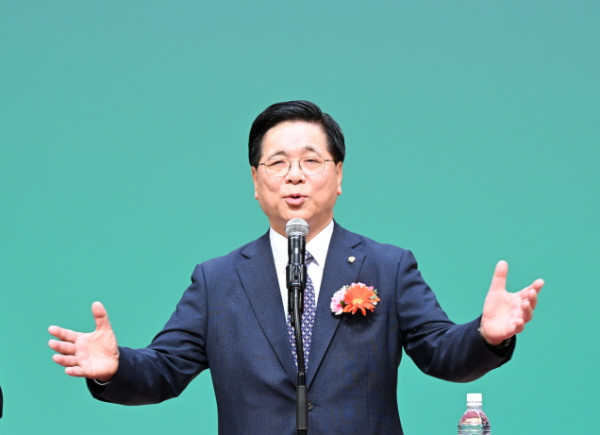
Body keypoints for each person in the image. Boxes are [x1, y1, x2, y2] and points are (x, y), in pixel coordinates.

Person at [48, 100, 543, 434]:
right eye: (277, 163)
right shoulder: (217, 280)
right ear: (255, 181)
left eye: (311, 161)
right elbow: (163, 370)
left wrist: (486, 336)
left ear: (339, 175)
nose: (294, 176)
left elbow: (442, 353)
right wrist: (115, 368)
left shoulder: (387, 266)